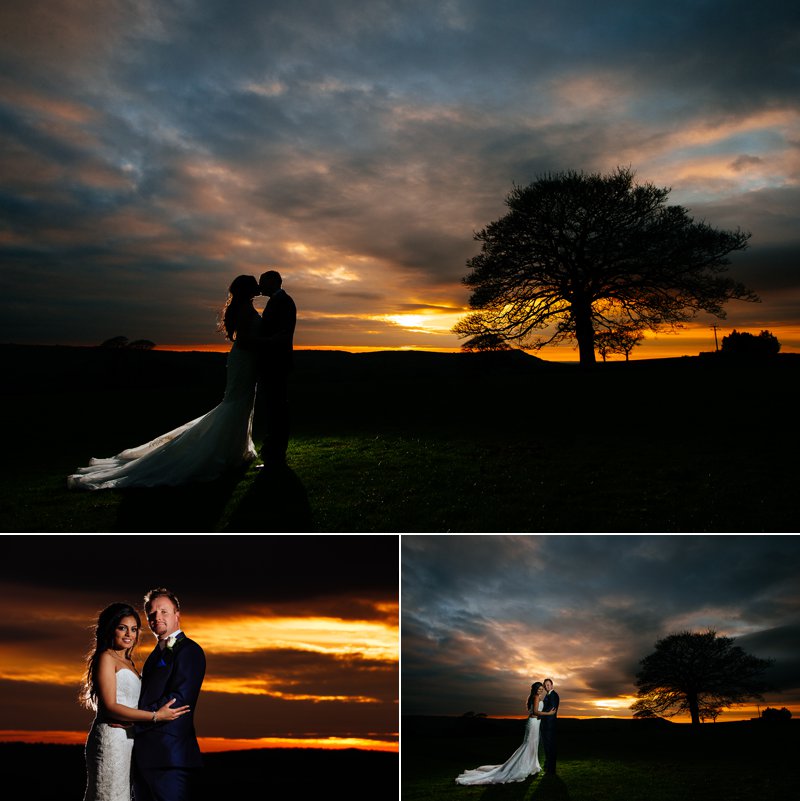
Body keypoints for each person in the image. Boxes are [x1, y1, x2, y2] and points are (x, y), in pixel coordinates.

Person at [67, 275, 261, 490]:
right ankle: (223, 452)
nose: (258, 287)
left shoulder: (243, 306)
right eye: (254, 284)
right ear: (246, 289)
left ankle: (234, 449)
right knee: (236, 403)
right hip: (244, 358)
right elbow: (245, 340)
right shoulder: (244, 309)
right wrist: (267, 342)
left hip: (244, 359)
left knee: (240, 402)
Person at [80, 602, 190, 801]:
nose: (128, 634)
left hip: (128, 739)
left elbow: (132, 704)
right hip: (112, 737)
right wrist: (156, 716)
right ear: (110, 629)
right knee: (108, 794)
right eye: (122, 628)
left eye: (133, 629)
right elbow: (109, 707)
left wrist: (135, 722)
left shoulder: (129, 663)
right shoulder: (106, 657)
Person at [133, 587, 206, 801]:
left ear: (177, 615)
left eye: (163, 611)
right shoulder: (155, 655)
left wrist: (133, 720)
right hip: (143, 757)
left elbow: (179, 701)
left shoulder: (190, 651)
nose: (157, 617)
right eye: (152, 613)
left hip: (170, 758)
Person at [455, 681, 545, 785]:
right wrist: (548, 713)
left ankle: (532, 765)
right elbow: (535, 712)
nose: (541, 690)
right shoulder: (536, 697)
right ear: (535, 689)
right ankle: (524, 766)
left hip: (535, 723)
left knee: (532, 744)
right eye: (539, 689)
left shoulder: (534, 697)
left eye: (541, 689)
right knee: (529, 744)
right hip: (534, 722)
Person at [253, 269, 296, 467]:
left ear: (273, 282)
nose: (260, 285)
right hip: (273, 362)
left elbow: (284, 335)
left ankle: (276, 454)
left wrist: (259, 342)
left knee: (277, 408)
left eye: (262, 281)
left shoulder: (284, 302)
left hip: (276, 363)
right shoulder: (276, 301)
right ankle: (273, 452)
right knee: (274, 408)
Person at [540, 677, 560, 774]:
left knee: (550, 746)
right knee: (547, 746)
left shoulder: (554, 695)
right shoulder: (547, 695)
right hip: (546, 724)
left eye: (548, 685)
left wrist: (540, 714)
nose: (547, 686)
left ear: (552, 685)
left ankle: (551, 769)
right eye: (545, 685)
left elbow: (551, 710)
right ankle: (548, 767)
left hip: (550, 725)